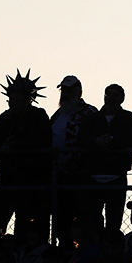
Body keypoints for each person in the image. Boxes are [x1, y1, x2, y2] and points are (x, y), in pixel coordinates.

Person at [0, 70, 50, 246]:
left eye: (17, 98)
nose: (13, 101)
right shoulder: (5, 117)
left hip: (30, 185)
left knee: (25, 229)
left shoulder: (38, 116)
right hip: (5, 182)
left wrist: (13, 146)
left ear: (28, 99)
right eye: (11, 98)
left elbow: (43, 143)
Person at [78, 84, 132, 234]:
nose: (110, 98)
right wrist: (96, 142)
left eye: (115, 94)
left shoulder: (128, 118)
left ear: (122, 98)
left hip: (116, 175)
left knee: (114, 222)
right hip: (94, 175)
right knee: (92, 221)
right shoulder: (92, 118)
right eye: (108, 94)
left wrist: (113, 141)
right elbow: (81, 140)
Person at [50, 75, 98, 247]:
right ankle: (65, 249)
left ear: (79, 91)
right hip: (60, 175)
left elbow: (94, 140)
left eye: (70, 90)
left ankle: (87, 252)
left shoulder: (90, 112)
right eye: (64, 90)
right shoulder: (57, 115)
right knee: (62, 216)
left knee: (85, 216)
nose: (66, 94)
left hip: (82, 175)